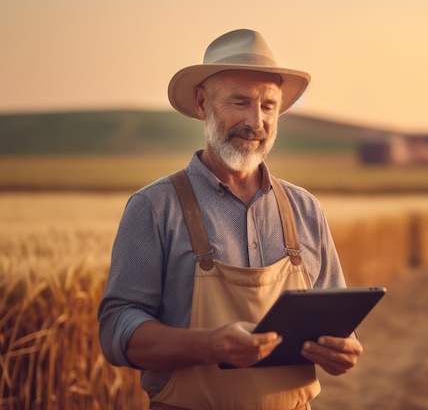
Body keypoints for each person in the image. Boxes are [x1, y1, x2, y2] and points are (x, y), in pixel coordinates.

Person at [97, 28, 362, 410]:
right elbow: (116, 329)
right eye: (240, 102)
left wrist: (343, 347)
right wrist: (210, 345)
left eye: (269, 106)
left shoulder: (306, 210)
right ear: (203, 103)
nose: (256, 121)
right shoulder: (154, 207)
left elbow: (338, 320)